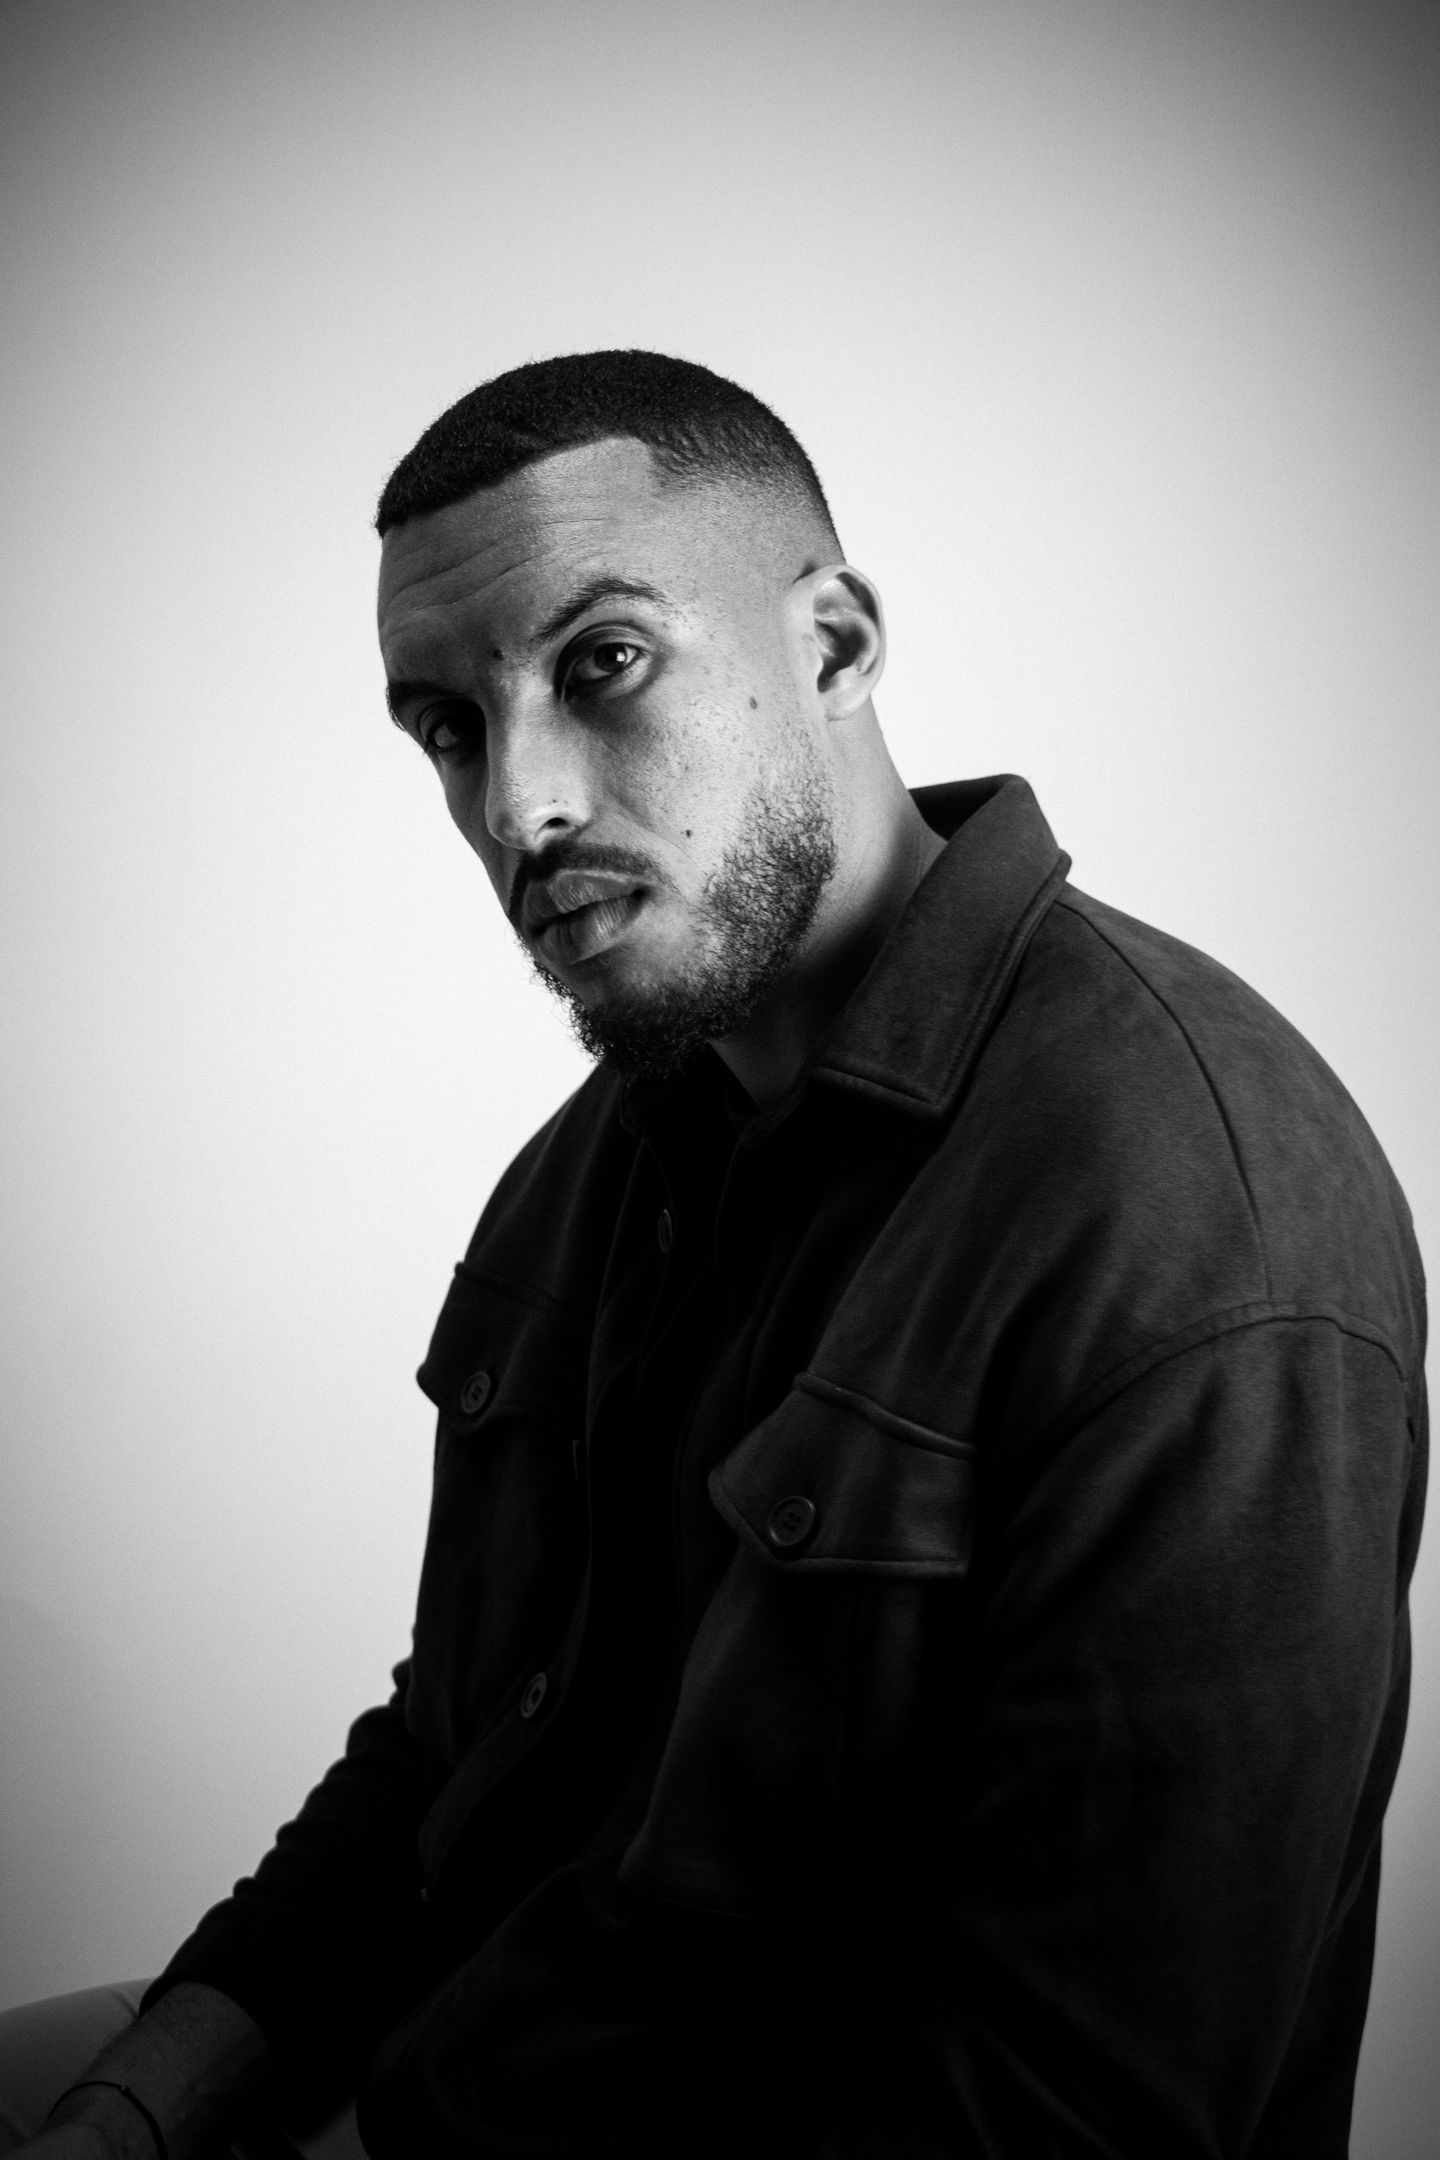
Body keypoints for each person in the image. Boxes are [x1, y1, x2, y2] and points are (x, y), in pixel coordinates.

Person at [0, 350, 1426, 2159]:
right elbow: (454, 1755)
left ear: (832, 644)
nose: (516, 805)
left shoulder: (1193, 1227)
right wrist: (134, 2116)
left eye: (601, 664)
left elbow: (1065, 2106)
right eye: (449, 727)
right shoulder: (616, 1143)